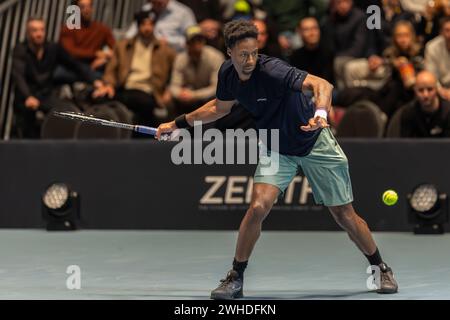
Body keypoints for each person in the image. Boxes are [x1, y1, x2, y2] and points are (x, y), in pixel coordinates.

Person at [156, 20, 398, 299]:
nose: (249, 60)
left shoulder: (272, 70)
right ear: (229, 52)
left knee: (344, 215)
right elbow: (218, 108)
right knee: (258, 206)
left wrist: (320, 114)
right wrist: (177, 124)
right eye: (243, 54)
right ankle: (235, 276)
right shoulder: (227, 75)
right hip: (276, 147)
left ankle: (380, 268)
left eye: (254, 53)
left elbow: (323, 84)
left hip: (313, 142)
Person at [12, 17, 98, 138]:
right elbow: (18, 76)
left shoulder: (53, 48)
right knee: (27, 119)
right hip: (26, 95)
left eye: (41, 30)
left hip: (46, 94)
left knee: (68, 113)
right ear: (28, 33)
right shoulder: (20, 49)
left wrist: (94, 80)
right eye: (34, 30)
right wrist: (28, 96)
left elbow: (73, 64)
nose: (39, 34)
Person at [93, 11, 176, 128]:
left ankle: (139, 140)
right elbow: (111, 69)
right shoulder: (123, 46)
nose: (147, 28)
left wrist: (169, 90)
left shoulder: (165, 50)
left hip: (148, 90)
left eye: (150, 24)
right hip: (124, 87)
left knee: (145, 104)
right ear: (138, 26)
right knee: (98, 96)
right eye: (144, 24)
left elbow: (175, 72)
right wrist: (108, 84)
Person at [169, 25, 224, 115]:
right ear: (187, 43)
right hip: (187, 98)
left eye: (200, 40)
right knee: (171, 101)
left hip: (208, 99)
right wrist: (180, 94)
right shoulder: (180, 58)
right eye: (193, 40)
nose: (197, 43)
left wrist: (194, 95)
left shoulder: (215, 57)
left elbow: (216, 88)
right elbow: (174, 86)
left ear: (204, 41)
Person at [57, 0, 115, 83]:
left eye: (89, 6)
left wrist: (105, 58)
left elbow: (117, 49)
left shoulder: (102, 29)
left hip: (93, 66)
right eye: (82, 7)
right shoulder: (68, 29)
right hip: (71, 66)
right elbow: (70, 52)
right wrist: (95, 53)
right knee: (59, 74)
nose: (87, 10)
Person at [398, 70, 450, 137]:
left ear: (436, 89)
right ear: (415, 90)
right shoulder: (408, 112)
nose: (425, 95)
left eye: (430, 89)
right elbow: (406, 144)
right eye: (421, 90)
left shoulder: (448, 111)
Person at [425, 16, 450, 101]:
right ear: (441, 32)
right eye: (447, 30)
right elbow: (431, 76)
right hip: (439, 90)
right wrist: (441, 91)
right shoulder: (432, 47)